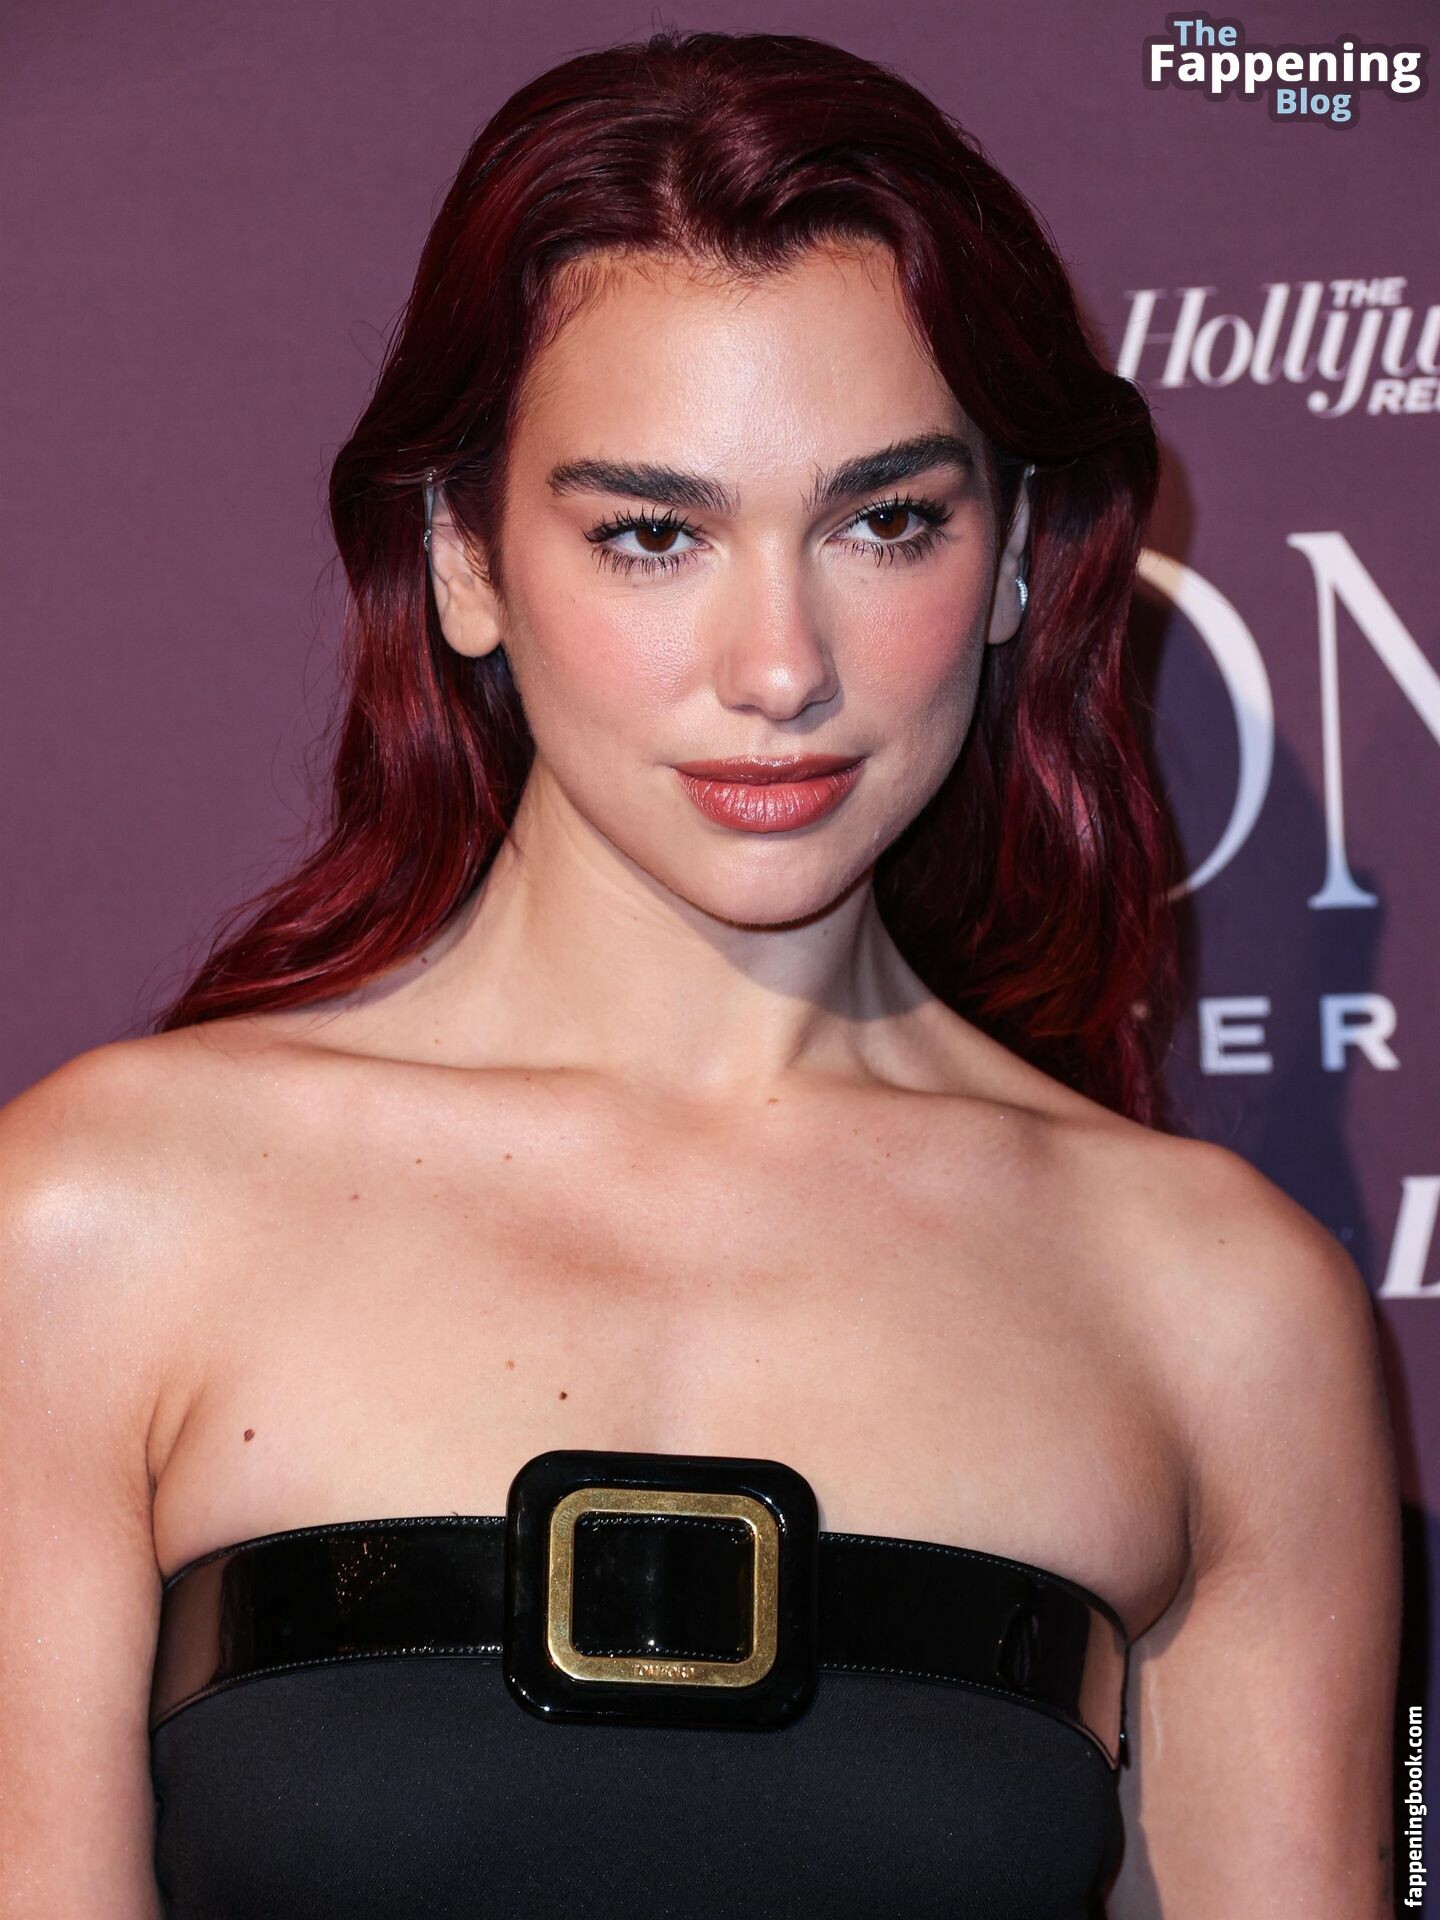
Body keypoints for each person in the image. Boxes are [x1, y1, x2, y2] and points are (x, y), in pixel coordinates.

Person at [0, 27, 1401, 1920]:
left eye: (885, 522)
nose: (780, 666)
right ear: (465, 558)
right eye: (653, 533)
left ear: (1012, 557)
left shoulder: (1217, 1309)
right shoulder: (95, 1227)